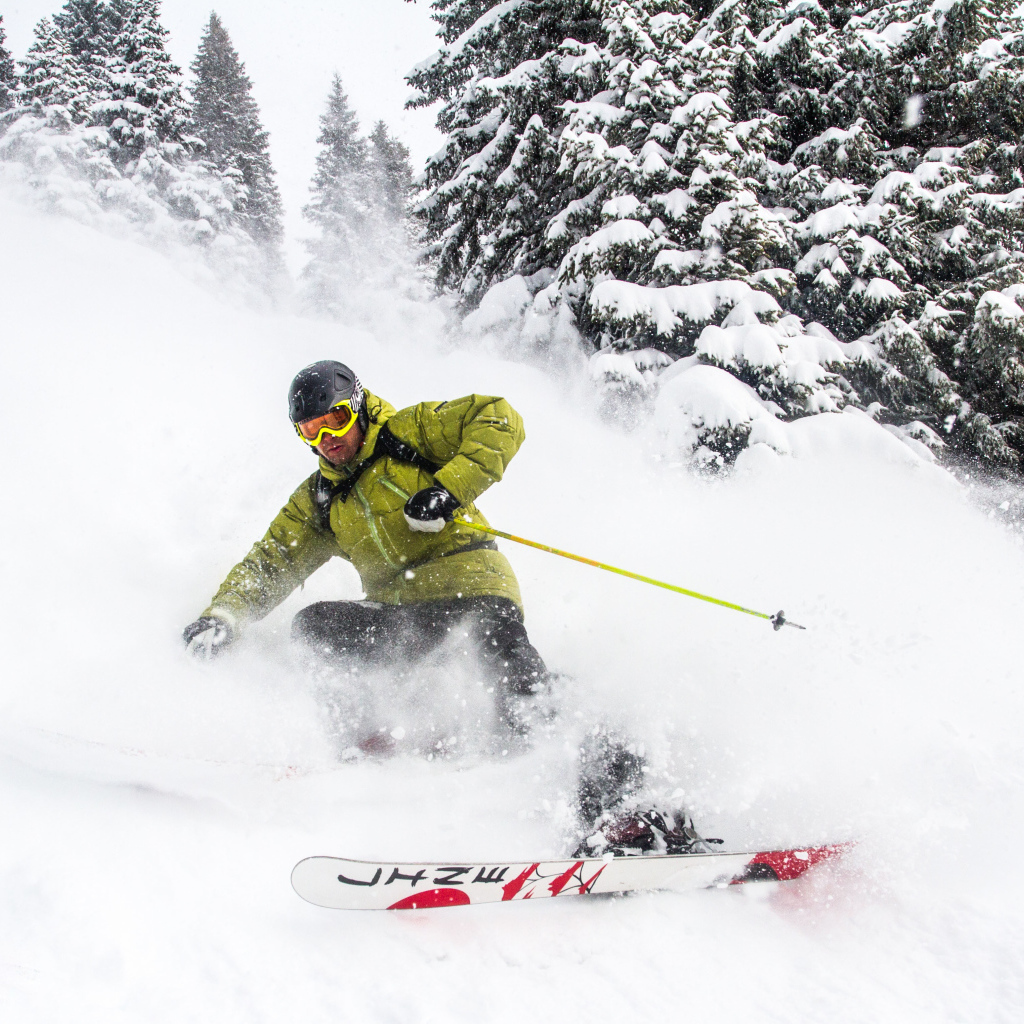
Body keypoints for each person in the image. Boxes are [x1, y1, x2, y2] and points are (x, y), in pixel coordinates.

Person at [182, 360, 549, 736]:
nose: (327, 437)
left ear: (356, 406)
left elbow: (497, 417)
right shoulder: (321, 499)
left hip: (470, 587)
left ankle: (547, 728)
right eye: (312, 430)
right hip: (403, 614)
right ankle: (369, 737)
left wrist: (447, 492)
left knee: (492, 648)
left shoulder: (409, 433)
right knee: (314, 627)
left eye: (336, 419)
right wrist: (223, 616)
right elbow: (275, 559)